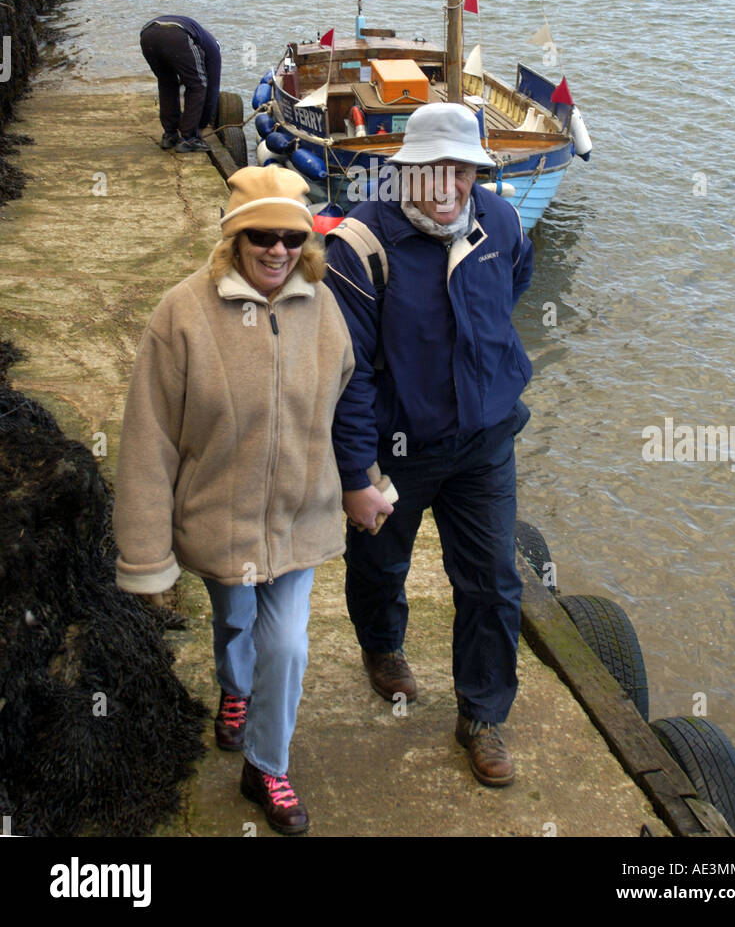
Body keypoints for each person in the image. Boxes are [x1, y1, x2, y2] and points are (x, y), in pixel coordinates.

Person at [113, 165, 355, 835]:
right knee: (235, 624)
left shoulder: (323, 305)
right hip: (220, 520)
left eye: (289, 237)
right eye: (261, 236)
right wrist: (144, 555)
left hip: (299, 519)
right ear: (234, 240)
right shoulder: (181, 314)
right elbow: (148, 438)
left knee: (289, 645)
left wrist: (364, 480)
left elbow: (352, 396)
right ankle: (234, 686)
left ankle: (266, 766)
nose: (277, 249)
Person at [325, 103, 534, 788]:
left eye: (463, 171)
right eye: (432, 171)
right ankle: (382, 647)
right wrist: (357, 475)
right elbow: (347, 378)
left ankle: (481, 714)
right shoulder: (358, 248)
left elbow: (513, 289)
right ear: (404, 171)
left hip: (484, 444)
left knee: (494, 582)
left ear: (477, 171)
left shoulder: (499, 222)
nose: (447, 188)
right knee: (381, 562)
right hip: (398, 450)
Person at [139, 14, 221, 153]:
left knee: (167, 83)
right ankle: (188, 139)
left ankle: (169, 135)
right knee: (197, 85)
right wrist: (201, 124)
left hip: (148, 34)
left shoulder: (200, 36)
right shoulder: (213, 50)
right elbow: (212, 90)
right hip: (177, 36)